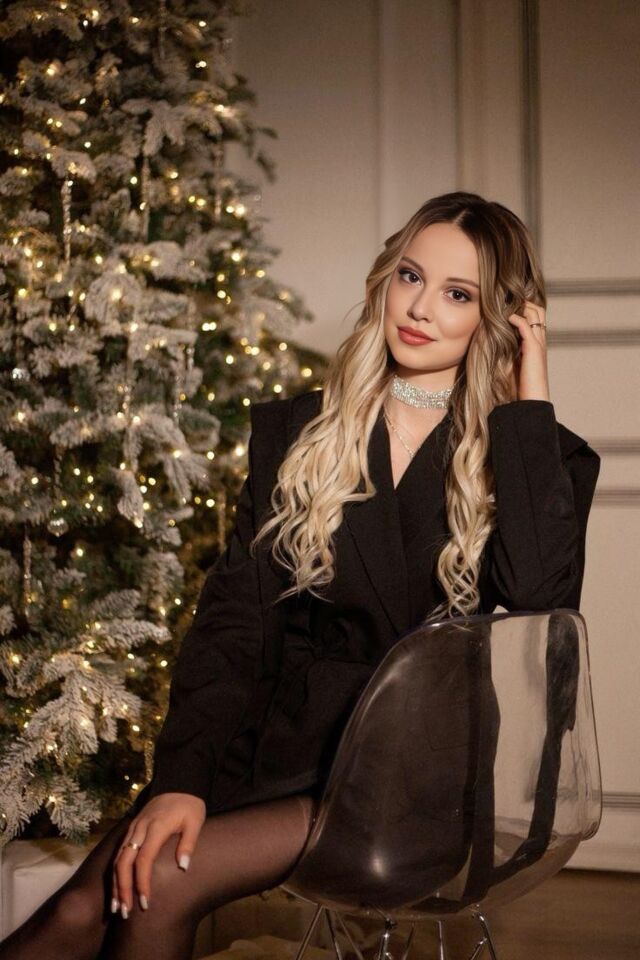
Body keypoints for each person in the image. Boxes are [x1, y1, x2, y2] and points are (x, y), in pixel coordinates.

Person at [0, 191, 601, 959]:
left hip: (411, 785)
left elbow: (540, 600)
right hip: (274, 749)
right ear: (386, 278)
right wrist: (183, 778)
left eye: (458, 294)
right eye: (410, 276)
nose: (420, 308)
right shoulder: (300, 431)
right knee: (84, 908)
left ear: (500, 319)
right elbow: (235, 623)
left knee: (160, 886)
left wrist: (528, 392)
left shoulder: (537, 456)